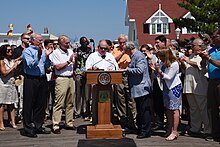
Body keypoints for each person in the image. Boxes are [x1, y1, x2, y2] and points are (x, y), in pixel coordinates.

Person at [22, 33, 52, 137]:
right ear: (33, 40)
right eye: (39, 40)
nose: (41, 42)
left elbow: (46, 66)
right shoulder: (27, 51)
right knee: (29, 103)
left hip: (42, 79)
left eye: (41, 40)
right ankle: (28, 128)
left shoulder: (43, 51)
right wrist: (39, 55)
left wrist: (47, 57)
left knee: (41, 103)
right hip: (31, 79)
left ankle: (38, 125)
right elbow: (31, 65)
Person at [180, 38, 211, 136]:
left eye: (194, 45)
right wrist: (182, 63)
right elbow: (186, 69)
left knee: (203, 108)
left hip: (200, 85)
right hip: (189, 85)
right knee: (193, 109)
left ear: (200, 46)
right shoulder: (192, 55)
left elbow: (200, 66)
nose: (192, 47)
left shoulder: (204, 55)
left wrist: (188, 61)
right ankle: (195, 128)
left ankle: (207, 129)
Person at [150, 48, 182, 141]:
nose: (160, 58)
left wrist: (159, 71)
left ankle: (175, 131)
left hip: (173, 87)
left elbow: (168, 77)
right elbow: (158, 76)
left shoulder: (174, 64)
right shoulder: (162, 63)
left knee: (174, 109)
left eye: (161, 56)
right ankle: (170, 128)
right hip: (165, 88)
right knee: (168, 109)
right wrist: (155, 70)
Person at [85, 40, 118, 124]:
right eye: (101, 48)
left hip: (109, 84)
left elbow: (116, 68)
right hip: (96, 84)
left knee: (108, 102)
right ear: (98, 48)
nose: (103, 50)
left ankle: (107, 121)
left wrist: (112, 70)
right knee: (96, 103)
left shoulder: (110, 56)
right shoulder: (92, 56)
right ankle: (96, 121)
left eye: (105, 48)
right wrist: (93, 69)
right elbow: (87, 68)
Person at [125, 41, 152, 139]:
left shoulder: (139, 56)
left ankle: (146, 131)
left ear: (129, 49)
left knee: (144, 110)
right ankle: (141, 129)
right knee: (140, 110)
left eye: (126, 50)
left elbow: (140, 70)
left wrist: (127, 70)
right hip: (137, 88)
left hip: (142, 87)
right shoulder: (134, 56)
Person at [50, 35, 76, 134]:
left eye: (68, 42)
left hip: (70, 78)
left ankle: (69, 122)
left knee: (70, 102)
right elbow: (57, 67)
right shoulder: (56, 53)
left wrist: (74, 60)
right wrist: (68, 61)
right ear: (60, 43)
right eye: (66, 43)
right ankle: (55, 124)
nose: (68, 44)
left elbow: (73, 64)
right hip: (61, 78)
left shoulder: (70, 51)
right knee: (59, 103)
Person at [112, 34, 137, 131]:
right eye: (120, 42)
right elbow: (114, 60)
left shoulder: (131, 50)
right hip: (119, 76)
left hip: (129, 75)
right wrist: (123, 52)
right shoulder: (116, 50)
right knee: (120, 99)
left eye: (124, 42)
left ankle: (132, 121)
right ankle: (122, 121)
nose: (122, 44)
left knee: (131, 99)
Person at [199, 29, 220, 141]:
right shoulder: (212, 50)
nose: (212, 39)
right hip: (212, 81)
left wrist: (209, 58)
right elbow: (204, 64)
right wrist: (203, 59)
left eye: (214, 36)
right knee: (212, 108)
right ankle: (215, 132)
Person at [0, 45, 21, 130]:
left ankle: (12, 121)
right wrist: (13, 67)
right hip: (3, 84)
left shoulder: (11, 60)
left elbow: (18, 59)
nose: (10, 51)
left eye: (11, 50)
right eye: (8, 50)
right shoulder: (2, 61)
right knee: (1, 104)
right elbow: (4, 73)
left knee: (12, 103)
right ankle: (1, 123)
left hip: (11, 84)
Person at [11, 33, 30, 122]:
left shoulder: (30, 49)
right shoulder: (17, 50)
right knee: (19, 97)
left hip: (29, 76)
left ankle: (24, 114)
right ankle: (18, 114)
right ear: (22, 39)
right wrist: (21, 58)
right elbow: (12, 61)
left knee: (26, 96)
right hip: (20, 75)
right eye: (26, 38)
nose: (28, 40)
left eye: (29, 39)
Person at [74, 37, 92, 120]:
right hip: (78, 72)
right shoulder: (77, 50)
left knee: (87, 94)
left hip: (87, 73)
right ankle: (77, 111)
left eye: (86, 42)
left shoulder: (90, 51)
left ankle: (85, 111)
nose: (85, 44)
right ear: (81, 43)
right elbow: (74, 61)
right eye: (83, 42)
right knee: (78, 93)